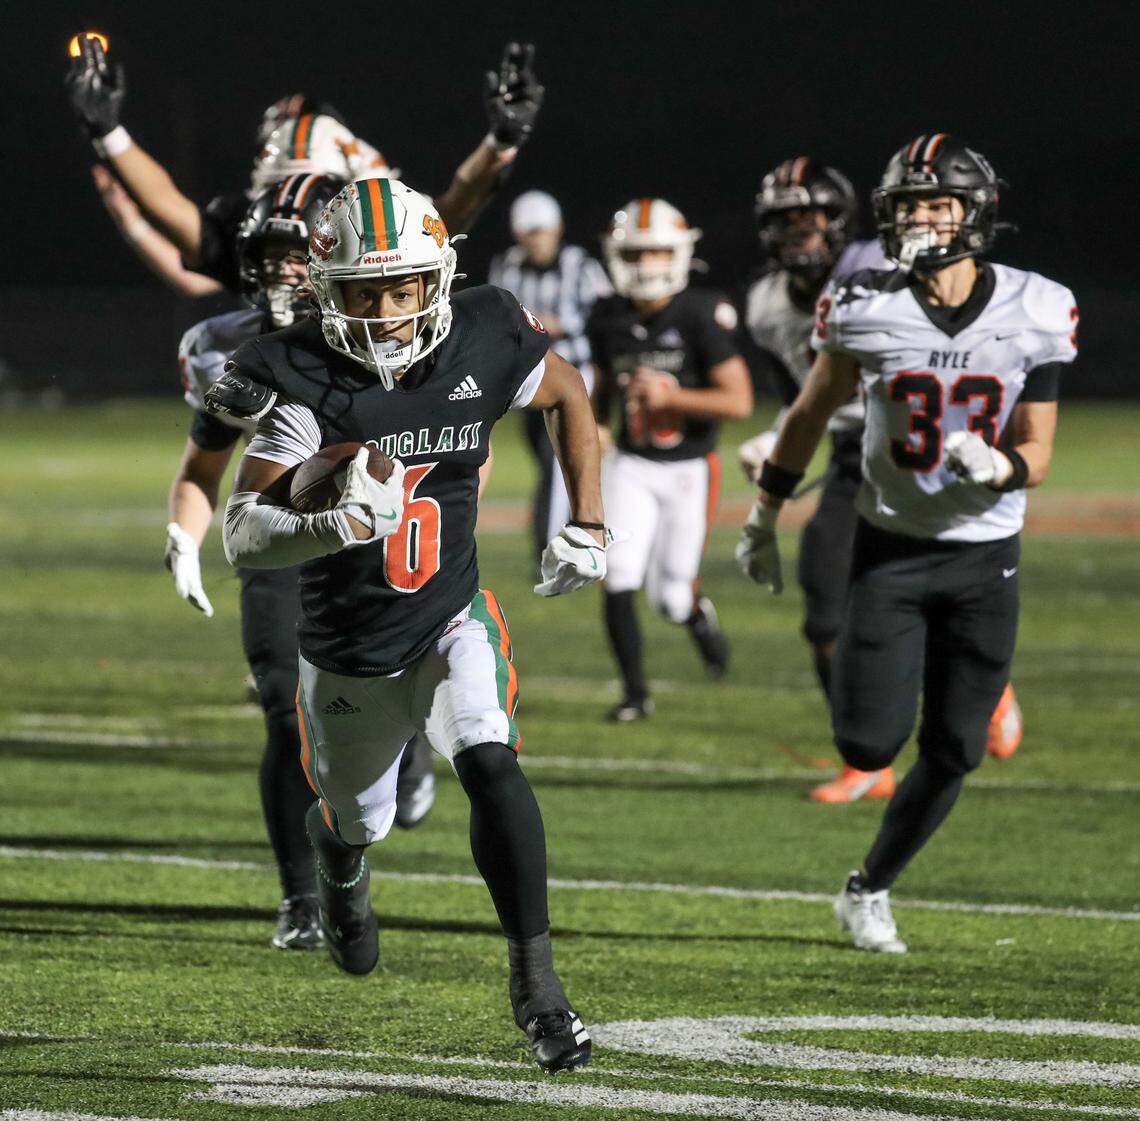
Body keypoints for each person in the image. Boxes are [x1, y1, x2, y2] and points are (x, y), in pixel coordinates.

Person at [210, 178, 608, 1072]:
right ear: (326, 289)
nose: (386, 313)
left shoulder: (486, 328)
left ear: (438, 278)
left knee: (491, 755)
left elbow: (570, 394)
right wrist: (330, 522)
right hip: (348, 649)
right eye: (363, 292)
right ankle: (340, 870)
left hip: (450, 614)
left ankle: (539, 989)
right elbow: (241, 535)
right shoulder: (298, 371)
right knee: (354, 821)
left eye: (403, 290)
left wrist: (587, 518)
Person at [736, 134, 1077, 951]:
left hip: (985, 555)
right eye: (905, 207)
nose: (919, 220)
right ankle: (942, 672)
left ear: (974, 213)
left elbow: (1039, 451)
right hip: (890, 549)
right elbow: (810, 414)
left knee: (956, 750)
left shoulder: (1036, 306)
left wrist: (999, 465)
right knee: (864, 741)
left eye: (935, 205)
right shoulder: (862, 305)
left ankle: (870, 886)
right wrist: (764, 512)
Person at [739, 159, 1023, 802]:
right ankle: (866, 760)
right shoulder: (763, 305)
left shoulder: (889, 269)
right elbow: (810, 397)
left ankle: (986, 678)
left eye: (811, 220)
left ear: (841, 222)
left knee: (941, 576)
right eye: (784, 223)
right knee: (823, 607)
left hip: (916, 441)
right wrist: (781, 439)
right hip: (851, 452)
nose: (800, 235)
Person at [65, 35, 543, 295]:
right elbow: (176, 215)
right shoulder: (257, 232)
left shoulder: (366, 228)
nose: (286, 266)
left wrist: (502, 141)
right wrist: (108, 132)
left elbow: (450, 213)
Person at [589, 198, 752, 721]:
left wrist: (673, 399)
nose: (647, 265)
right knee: (616, 573)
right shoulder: (607, 316)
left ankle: (697, 617)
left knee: (672, 596)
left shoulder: (701, 313)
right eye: (636, 253)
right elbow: (597, 397)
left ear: (680, 254)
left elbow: (739, 401)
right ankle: (635, 694)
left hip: (689, 468)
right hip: (633, 463)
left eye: (658, 251)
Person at [490, 190, 612, 560]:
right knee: (548, 461)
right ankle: (558, 534)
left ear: (557, 230)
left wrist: (560, 324)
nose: (536, 240)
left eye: (541, 231)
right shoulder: (507, 265)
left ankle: (552, 543)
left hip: (575, 376)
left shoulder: (580, 265)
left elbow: (606, 315)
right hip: (527, 380)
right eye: (529, 232)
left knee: (558, 462)